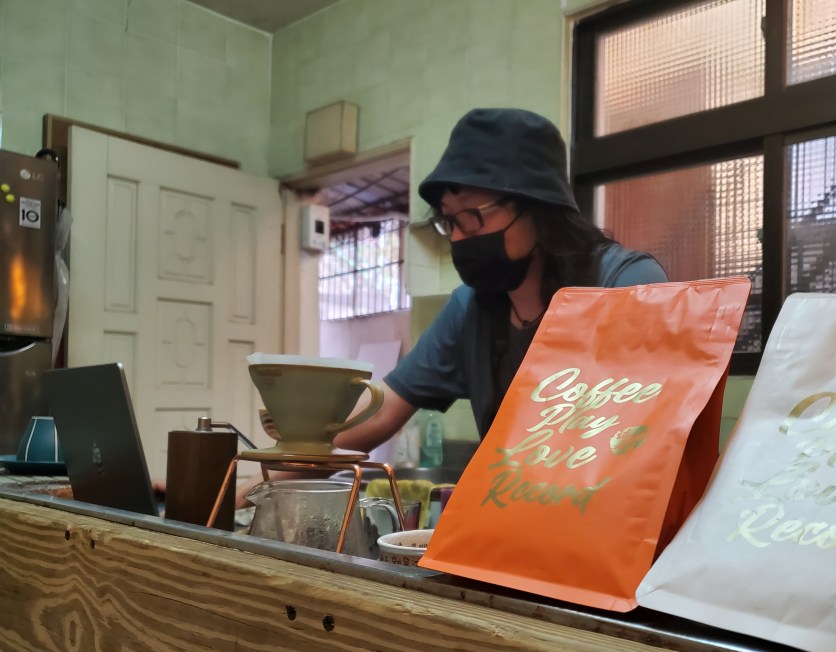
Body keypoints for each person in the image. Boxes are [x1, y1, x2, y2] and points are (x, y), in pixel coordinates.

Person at [238, 107, 666, 507]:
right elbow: (377, 414)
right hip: (519, 520)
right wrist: (248, 489)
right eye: (448, 220)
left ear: (539, 208)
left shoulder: (625, 286)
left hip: (614, 521)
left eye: (472, 217)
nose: (458, 238)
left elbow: (650, 439)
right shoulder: (471, 310)